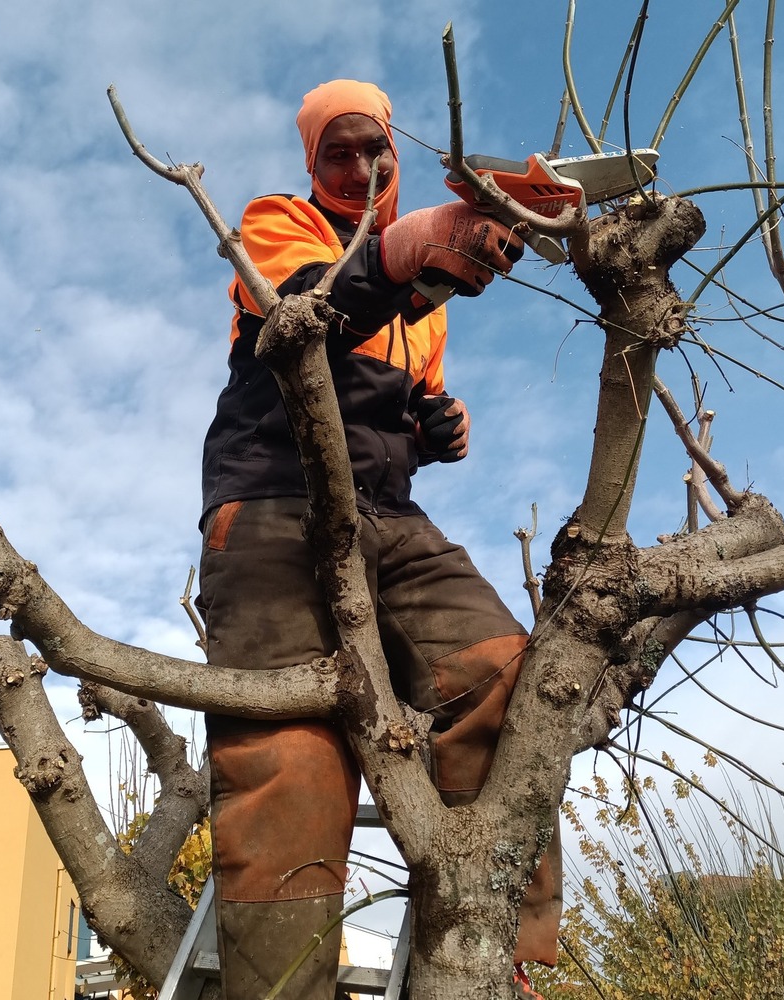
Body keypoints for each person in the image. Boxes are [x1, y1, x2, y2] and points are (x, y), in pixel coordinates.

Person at [197, 79, 561, 1000]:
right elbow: (301, 316)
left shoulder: (425, 305)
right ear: (312, 163)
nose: (361, 168)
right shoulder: (277, 220)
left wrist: (433, 426)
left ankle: (497, 944)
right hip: (273, 504)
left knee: (505, 672)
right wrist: (404, 245)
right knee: (289, 758)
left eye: (376, 150)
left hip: (390, 516)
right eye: (339, 152)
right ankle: (280, 989)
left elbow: (381, 409)